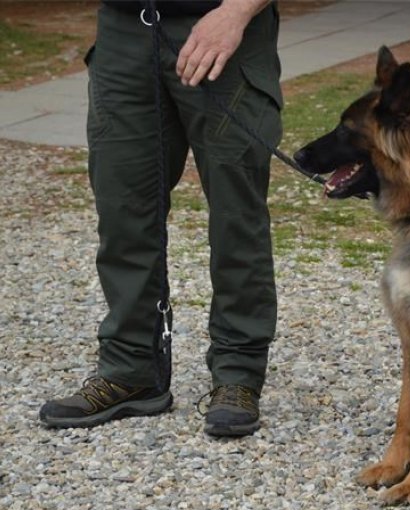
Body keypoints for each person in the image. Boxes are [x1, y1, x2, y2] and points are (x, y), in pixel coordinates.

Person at [39, 0, 283, 437]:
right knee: (122, 208)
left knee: (236, 214)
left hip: (220, 26)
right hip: (123, 30)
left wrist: (236, 13)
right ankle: (131, 369)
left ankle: (238, 374)